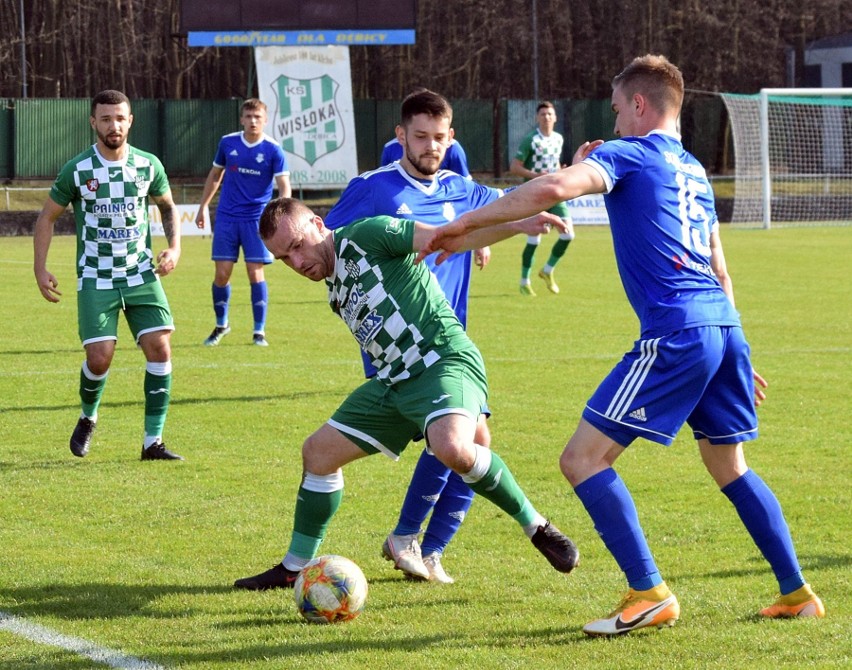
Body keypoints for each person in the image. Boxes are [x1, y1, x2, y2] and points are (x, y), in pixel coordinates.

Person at [418, 55, 824, 635]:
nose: (613, 121)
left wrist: (460, 225)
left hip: (678, 330)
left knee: (581, 459)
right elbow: (720, 268)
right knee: (729, 465)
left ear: (638, 105)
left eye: (615, 109)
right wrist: (737, 348)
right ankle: (796, 592)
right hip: (722, 326)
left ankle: (648, 592)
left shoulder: (630, 153)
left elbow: (556, 186)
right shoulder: (695, 171)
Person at [232, 197, 580, 590]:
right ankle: (294, 567)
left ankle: (537, 528)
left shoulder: (367, 235)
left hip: (443, 360)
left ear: (317, 223)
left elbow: (449, 238)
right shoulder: (333, 284)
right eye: (283, 259)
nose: (296, 263)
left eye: (297, 246)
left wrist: (517, 224)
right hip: (394, 382)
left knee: (453, 448)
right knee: (318, 453)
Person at [323, 90, 499, 584]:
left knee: (474, 440)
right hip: (398, 342)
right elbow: (326, 244)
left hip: (448, 341)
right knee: (458, 439)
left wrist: (573, 172)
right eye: (420, 136)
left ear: (451, 138)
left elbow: (506, 209)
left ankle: (427, 546)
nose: (430, 145)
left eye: (439, 137)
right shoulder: (374, 188)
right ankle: (409, 537)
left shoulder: (460, 188)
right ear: (400, 136)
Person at [33, 89, 184, 461]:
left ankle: (153, 442)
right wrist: (40, 267)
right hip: (96, 276)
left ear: (130, 120)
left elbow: (167, 207)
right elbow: (46, 218)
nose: (113, 125)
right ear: (93, 122)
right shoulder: (78, 169)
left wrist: (175, 246)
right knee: (100, 358)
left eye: (120, 118)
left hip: (140, 274)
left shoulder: (148, 164)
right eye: (105, 118)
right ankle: (88, 416)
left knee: (160, 348)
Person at [196, 98, 291, 347]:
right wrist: (203, 206)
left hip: (256, 219)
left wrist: (282, 214)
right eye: (248, 117)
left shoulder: (273, 149)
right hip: (227, 217)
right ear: (241, 119)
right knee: (222, 274)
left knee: (254, 272)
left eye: (257, 117)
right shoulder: (228, 143)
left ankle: (259, 331)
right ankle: (221, 325)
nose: (252, 121)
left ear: (265, 120)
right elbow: (215, 175)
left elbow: (284, 186)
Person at [509, 101, 575, 296]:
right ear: (537, 118)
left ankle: (547, 270)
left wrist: (559, 171)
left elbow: (553, 161)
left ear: (555, 118)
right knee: (534, 239)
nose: (546, 117)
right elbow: (515, 167)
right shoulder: (531, 140)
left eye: (549, 114)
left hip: (554, 193)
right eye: (543, 114)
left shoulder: (558, 139)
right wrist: (537, 176)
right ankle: (524, 281)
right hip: (534, 194)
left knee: (568, 234)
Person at [380, 134, 471, 178]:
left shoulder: (453, 148)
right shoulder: (390, 148)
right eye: (420, 136)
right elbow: (384, 182)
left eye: (439, 137)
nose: (431, 147)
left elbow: (465, 188)